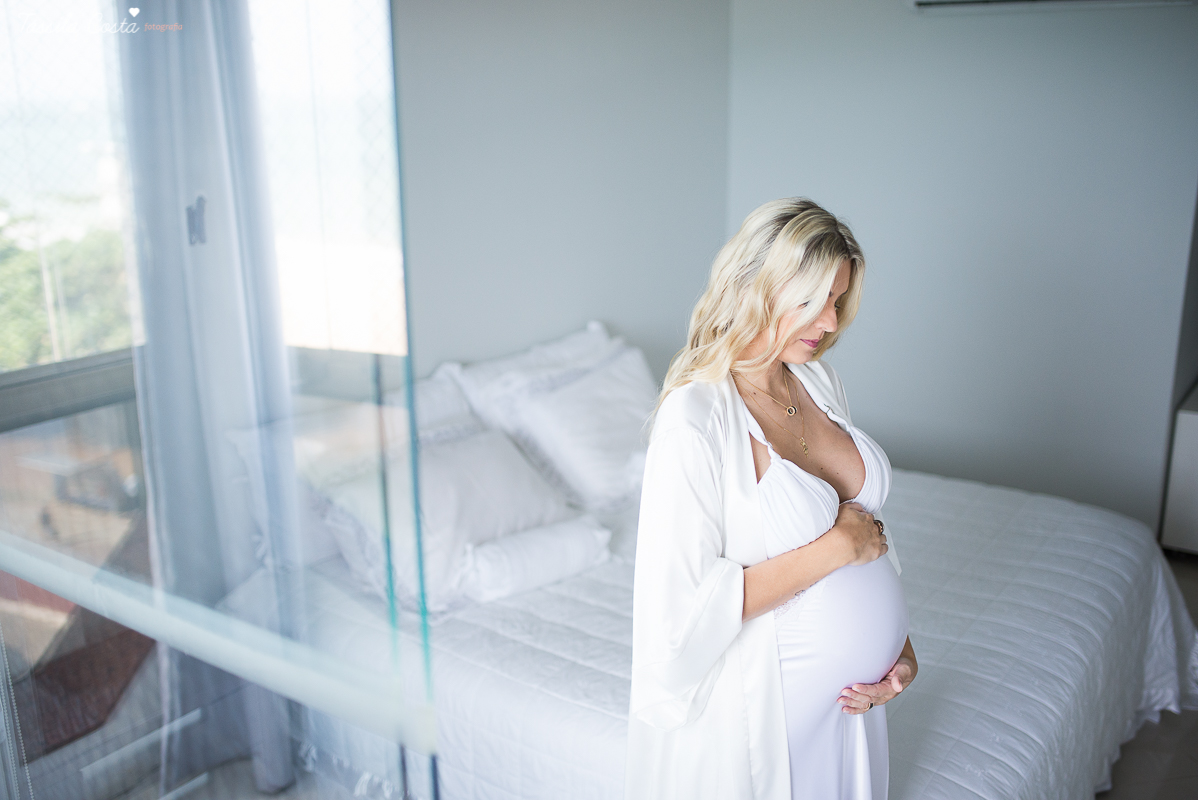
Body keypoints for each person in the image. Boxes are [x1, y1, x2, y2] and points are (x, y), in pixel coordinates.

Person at [625, 198, 917, 800]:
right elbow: (678, 617)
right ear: (758, 289)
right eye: (814, 302)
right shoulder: (696, 417)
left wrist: (900, 646)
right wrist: (836, 549)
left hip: (851, 712)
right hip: (768, 717)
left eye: (837, 300)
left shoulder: (816, 379)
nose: (832, 322)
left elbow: (867, 532)